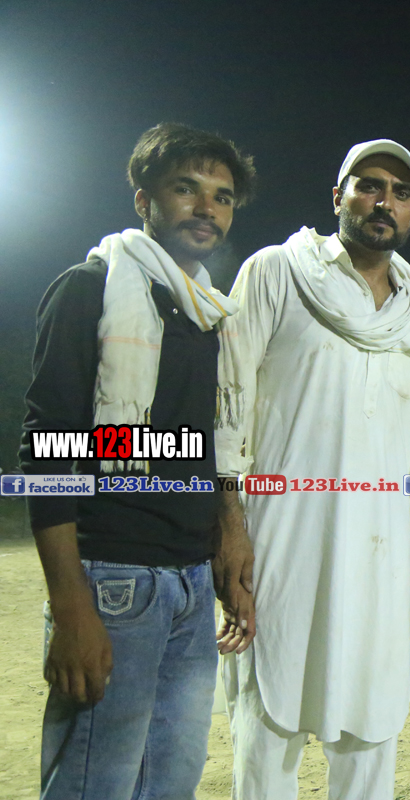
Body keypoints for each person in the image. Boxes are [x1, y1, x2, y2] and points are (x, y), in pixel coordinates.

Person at [18, 122, 256, 798]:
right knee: (93, 786)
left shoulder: (208, 313)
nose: (206, 207)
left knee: (170, 785)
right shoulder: (90, 288)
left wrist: (228, 541)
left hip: (190, 587)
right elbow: (47, 449)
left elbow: (206, 449)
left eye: (222, 196)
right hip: (112, 581)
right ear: (144, 200)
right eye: (186, 188)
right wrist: (72, 606)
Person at [214, 139, 410, 800]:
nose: (384, 202)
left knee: (371, 726)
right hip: (280, 541)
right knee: (266, 728)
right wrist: (228, 527)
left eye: (401, 193)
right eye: (369, 185)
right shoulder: (276, 272)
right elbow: (226, 403)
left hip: (378, 552)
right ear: (338, 196)